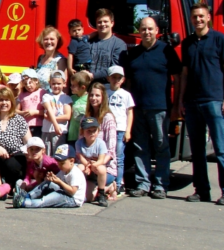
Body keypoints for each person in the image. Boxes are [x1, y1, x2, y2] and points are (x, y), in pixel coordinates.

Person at [126, 17, 182, 199]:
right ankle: (143, 183)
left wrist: (177, 105)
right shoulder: (133, 54)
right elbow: (127, 82)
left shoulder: (166, 51)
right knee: (140, 147)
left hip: (160, 108)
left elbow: (179, 78)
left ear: (156, 30)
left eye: (150, 29)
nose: (147, 32)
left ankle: (160, 185)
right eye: (143, 29)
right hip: (137, 108)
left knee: (161, 146)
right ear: (139, 31)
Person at [178, 3, 224, 205]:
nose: (197, 20)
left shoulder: (220, 39)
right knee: (197, 151)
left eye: (201, 16)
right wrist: (180, 99)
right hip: (192, 101)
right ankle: (202, 191)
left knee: (221, 149)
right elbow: (185, 74)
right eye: (194, 17)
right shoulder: (187, 43)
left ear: (208, 18)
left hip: (214, 100)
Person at [0, 86, 31, 187]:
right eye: (1, 100)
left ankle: (13, 184)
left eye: (7, 100)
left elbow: (29, 143)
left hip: (15, 156)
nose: (4, 103)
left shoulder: (19, 120)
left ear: (12, 102)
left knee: (11, 165)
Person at [14, 144, 86, 208]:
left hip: (72, 199)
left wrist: (59, 182)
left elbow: (72, 191)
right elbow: (55, 180)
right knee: (47, 183)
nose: (59, 166)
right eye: (58, 163)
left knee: (45, 200)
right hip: (65, 192)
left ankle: (24, 203)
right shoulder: (63, 170)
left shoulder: (75, 173)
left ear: (72, 161)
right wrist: (51, 178)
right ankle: (28, 196)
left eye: (62, 163)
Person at [105, 65, 135, 196]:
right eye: (113, 77)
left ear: (123, 80)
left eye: (119, 78)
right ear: (108, 78)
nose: (116, 80)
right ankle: (108, 182)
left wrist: (128, 130)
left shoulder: (126, 95)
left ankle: (119, 183)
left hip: (119, 129)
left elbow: (130, 113)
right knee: (107, 156)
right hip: (106, 129)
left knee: (119, 157)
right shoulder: (105, 92)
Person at [76, 116, 115, 207]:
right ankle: (81, 189)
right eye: (88, 131)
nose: (92, 133)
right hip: (87, 169)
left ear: (98, 131)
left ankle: (102, 192)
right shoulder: (79, 143)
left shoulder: (100, 143)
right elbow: (80, 157)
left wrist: (94, 165)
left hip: (96, 169)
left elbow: (101, 160)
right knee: (79, 168)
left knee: (101, 168)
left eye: (94, 130)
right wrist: (87, 165)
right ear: (82, 132)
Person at [87, 9, 127, 84]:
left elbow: (115, 68)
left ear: (112, 23)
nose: (102, 24)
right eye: (99, 22)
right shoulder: (89, 43)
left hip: (108, 87)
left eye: (105, 21)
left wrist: (93, 75)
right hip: (88, 86)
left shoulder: (119, 44)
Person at [41, 70, 72, 155]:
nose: (56, 86)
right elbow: (49, 109)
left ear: (64, 83)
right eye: (53, 84)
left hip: (60, 131)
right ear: (50, 83)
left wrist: (51, 119)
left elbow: (67, 116)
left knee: (58, 154)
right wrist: (55, 124)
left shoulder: (66, 98)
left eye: (59, 84)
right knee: (46, 155)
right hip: (47, 130)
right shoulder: (46, 96)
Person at [35, 26, 67, 92]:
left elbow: (64, 87)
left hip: (51, 100)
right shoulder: (40, 58)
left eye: (52, 39)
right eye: (46, 39)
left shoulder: (61, 60)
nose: (49, 42)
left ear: (57, 41)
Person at [17, 69, 45, 138]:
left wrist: (35, 112)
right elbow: (16, 110)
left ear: (36, 81)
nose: (28, 86)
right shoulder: (22, 95)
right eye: (25, 84)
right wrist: (23, 113)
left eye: (30, 83)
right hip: (25, 125)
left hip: (39, 125)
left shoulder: (42, 92)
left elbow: (47, 111)